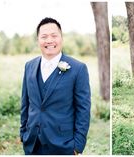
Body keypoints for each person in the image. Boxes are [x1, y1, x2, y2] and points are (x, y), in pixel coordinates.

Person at [20, 17, 91, 155]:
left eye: (54, 36)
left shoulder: (78, 68)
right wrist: (23, 133)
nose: (49, 40)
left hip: (63, 145)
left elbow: (83, 109)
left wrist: (77, 146)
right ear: (38, 40)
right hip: (32, 143)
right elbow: (25, 103)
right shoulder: (29, 66)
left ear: (61, 38)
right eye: (44, 36)